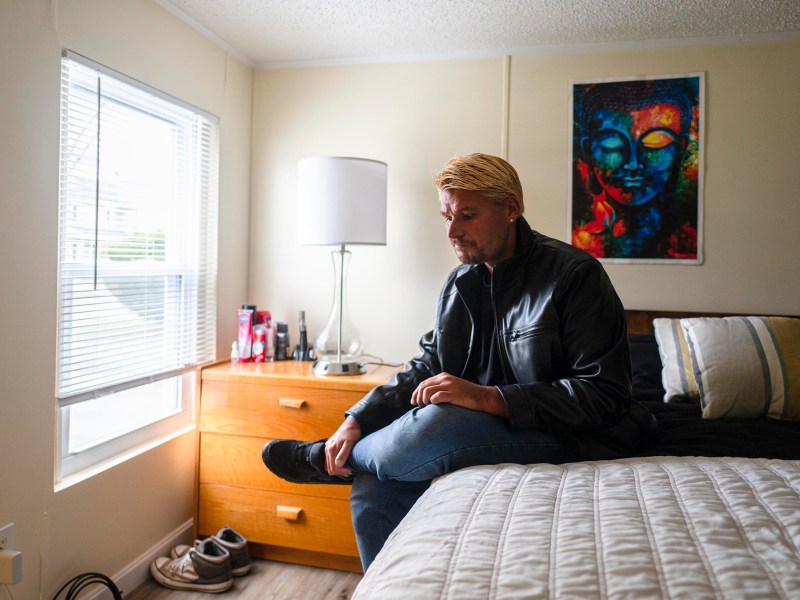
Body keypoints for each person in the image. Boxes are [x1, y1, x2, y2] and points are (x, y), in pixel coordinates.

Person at [263, 153, 655, 571]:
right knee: (371, 487)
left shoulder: (575, 276)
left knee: (436, 424)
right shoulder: (461, 282)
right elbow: (427, 364)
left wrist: (487, 398)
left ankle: (326, 460)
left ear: (510, 209)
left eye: (467, 215)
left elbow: (604, 395)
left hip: (574, 434)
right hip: (494, 425)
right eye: (446, 215)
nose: (452, 230)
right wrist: (357, 419)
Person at [571, 78, 699, 259]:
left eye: (656, 143)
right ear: (588, 151)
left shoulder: (686, 238)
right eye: (612, 143)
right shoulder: (581, 242)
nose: (633, 164)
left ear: (681, 150)